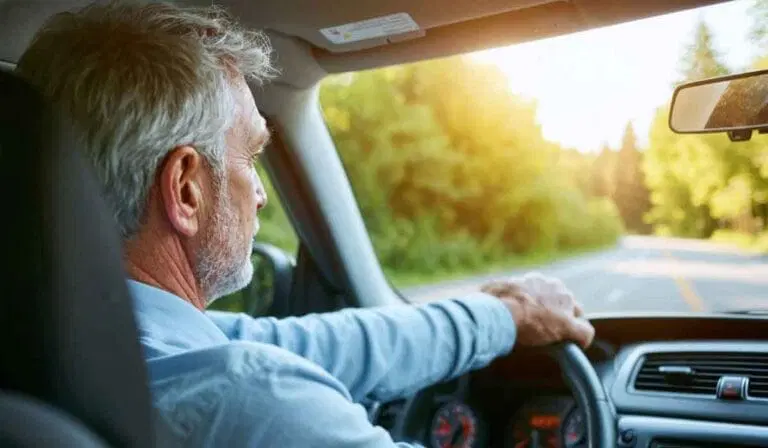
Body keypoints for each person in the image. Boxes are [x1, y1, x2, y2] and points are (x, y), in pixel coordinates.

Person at [16, 2, 595, 446]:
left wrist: (501, 314)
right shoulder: (251, 400)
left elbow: (315, 345)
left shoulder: (55, 347)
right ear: (186, 190)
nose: (261, 195)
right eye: (251, 158)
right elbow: (257, 369)